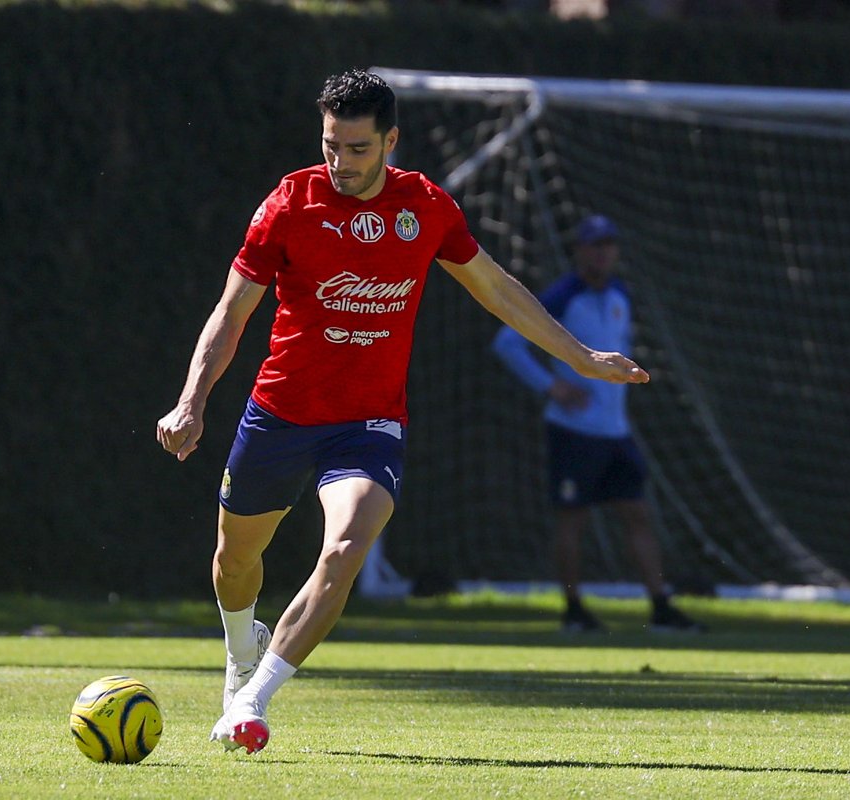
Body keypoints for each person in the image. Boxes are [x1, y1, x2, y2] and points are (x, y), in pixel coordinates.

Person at [156, 69, 649, 755]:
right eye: (331, 146)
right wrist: (191, 402)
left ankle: (254, 697)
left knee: (347, 545)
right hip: (279, 414)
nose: (341, 163)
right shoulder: (289, 204)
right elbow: (232, 311)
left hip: (367, 425)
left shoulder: (427, 207)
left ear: (391, 140)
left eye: (358, 149)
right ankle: (241, 647)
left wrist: (581, 357)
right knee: (234, 564)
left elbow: (498, 291)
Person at [493, 214, 705, 635]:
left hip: (616, 432)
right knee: (572, 519)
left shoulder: (620, 295)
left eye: (609, 244)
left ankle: (660, 607)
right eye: (594, 244)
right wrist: (551, 386)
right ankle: (573, 609)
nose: (603, 252)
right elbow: (507, 342)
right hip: (573, 431)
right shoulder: (561, 296)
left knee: (638, 514)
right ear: (579, 251)